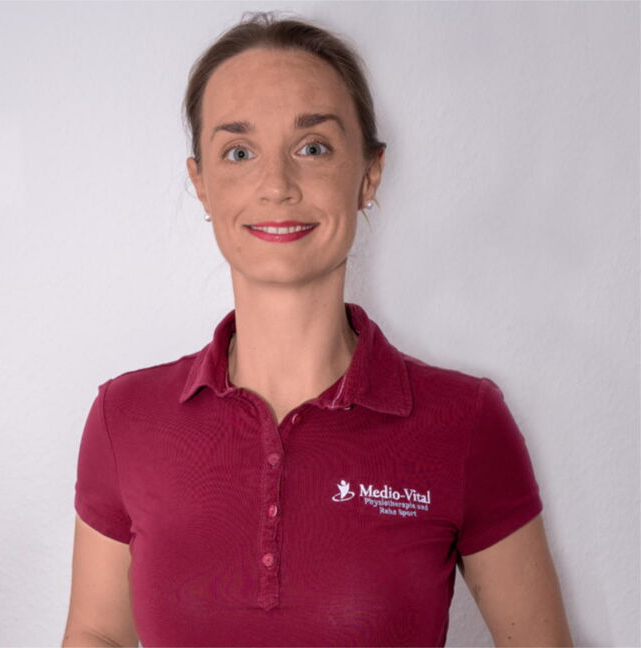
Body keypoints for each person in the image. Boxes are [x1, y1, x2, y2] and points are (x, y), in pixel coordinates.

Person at [62, 11, 574, 648]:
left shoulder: (465, 421)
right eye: (239, 152)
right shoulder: (125, 417)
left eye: (313, 148)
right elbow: (97, 634)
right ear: (202, 184)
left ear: (369, 174)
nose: (277, 185)